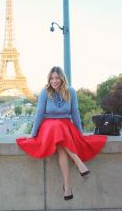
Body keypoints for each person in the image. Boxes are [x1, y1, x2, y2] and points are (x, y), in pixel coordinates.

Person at [16, 66, 107, 201]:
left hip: (65, 126)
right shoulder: (44, 92)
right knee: (57, 126)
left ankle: (67, 186)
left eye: (57, 78)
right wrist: (33, 133)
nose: (54, 81)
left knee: (62, 149)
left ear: (62, 78)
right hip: (49, 126)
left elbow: (75, 112)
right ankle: (78, 162)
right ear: (49, 79)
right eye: (52, 78)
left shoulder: (71, 92)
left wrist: (79, 132)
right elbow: (40, 113)